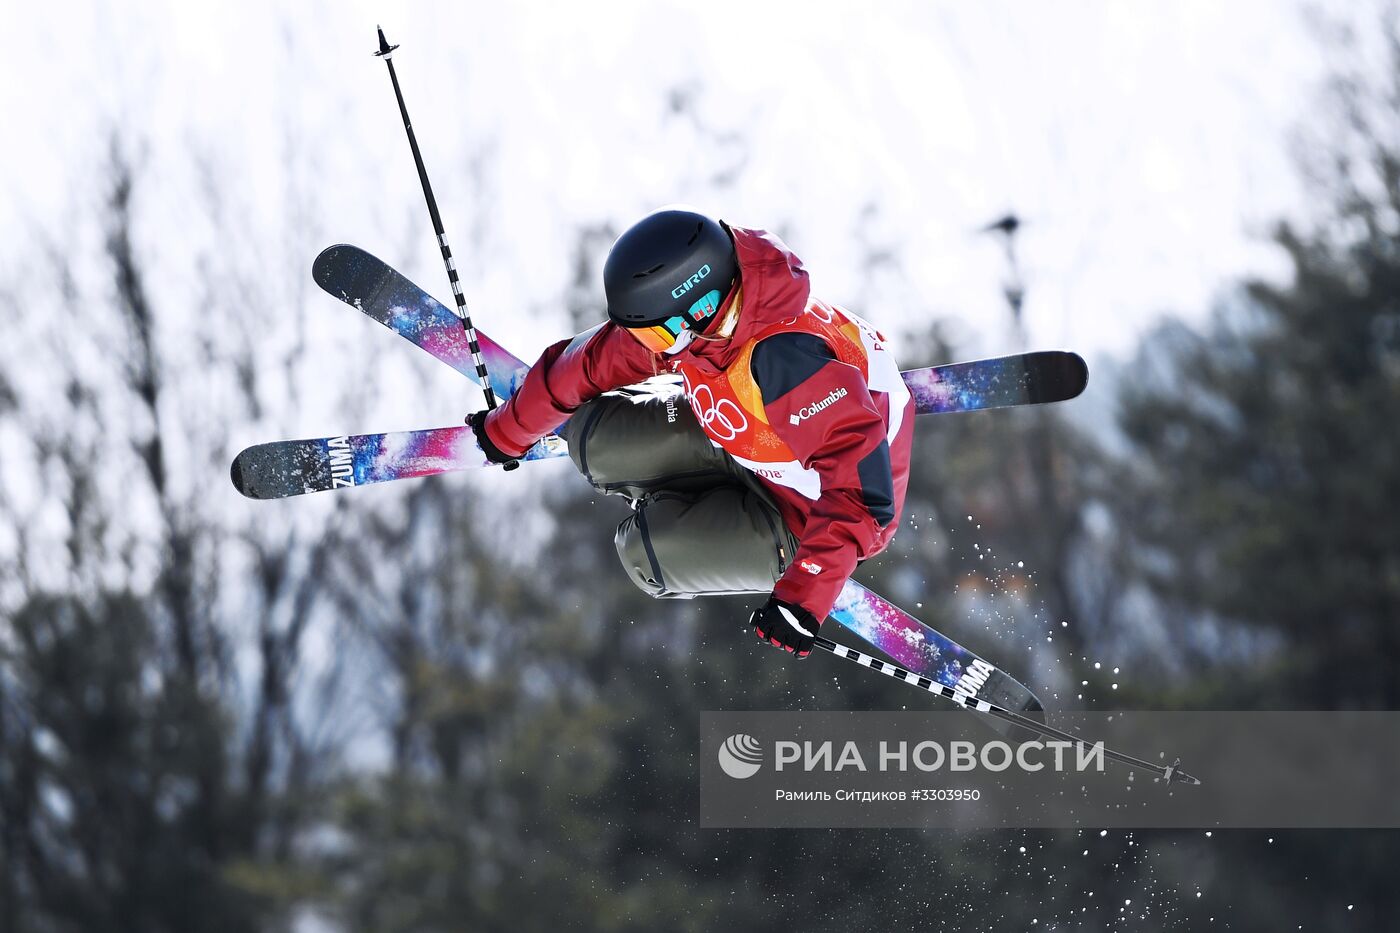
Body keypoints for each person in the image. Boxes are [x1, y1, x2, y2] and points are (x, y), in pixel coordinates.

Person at [469, 207, 913, 658]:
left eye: (655, 340)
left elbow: (861, 496)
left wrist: (804, 596)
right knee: (591, 437)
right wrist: (509, 430)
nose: (648, 350)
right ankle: (684, 494)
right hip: (747, 439)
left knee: (645, 555)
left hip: (808, 512)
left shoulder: (787, 362)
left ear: (696, 314)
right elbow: (590, 361)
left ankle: (689, 517)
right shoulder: (707, 320)